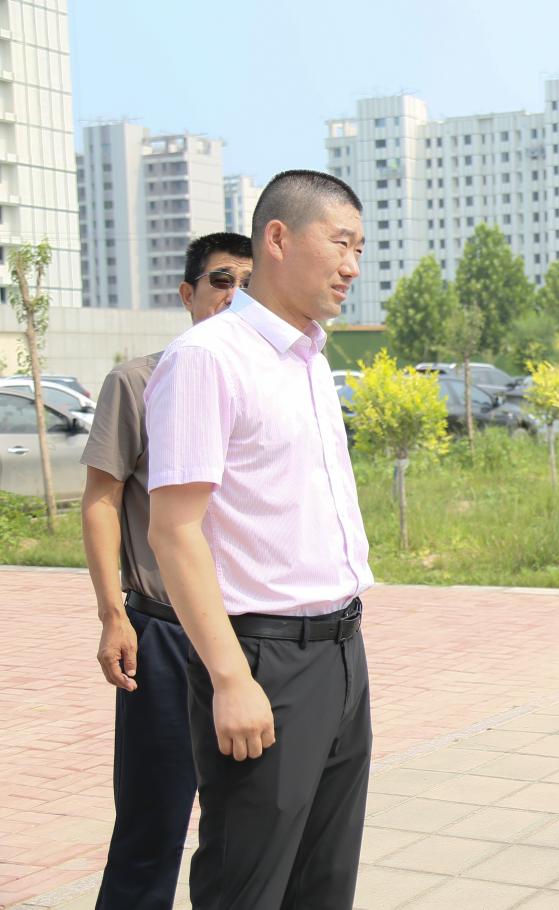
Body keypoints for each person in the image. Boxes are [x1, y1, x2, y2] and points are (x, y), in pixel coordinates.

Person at [145, 169, 372, 909]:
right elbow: (174, 530)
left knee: (324, 884)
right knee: (248, 886)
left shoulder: (310, 358)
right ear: (277, 237)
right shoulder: (209, 357)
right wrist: (230, 679)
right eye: (340, 243)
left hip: (341, 651)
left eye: (360, 249)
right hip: (263, 659)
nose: (353, 266)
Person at [82, 232, 252, 910]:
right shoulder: (138, 382)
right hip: (165, 634)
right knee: (152, 827)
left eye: (248, 283)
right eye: (221, 280)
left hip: (254, 633)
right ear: (188, 294)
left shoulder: (267, 385)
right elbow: (102, 500)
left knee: (248, 826)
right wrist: (112, 614)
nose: (234, 295)